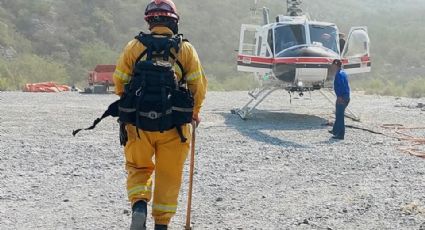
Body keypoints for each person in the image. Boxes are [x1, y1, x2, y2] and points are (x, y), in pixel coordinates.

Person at [112, 0, 207, 229]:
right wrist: (194, 113)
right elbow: (198, 87)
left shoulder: (134, 46)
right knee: (169, 174)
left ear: (150, 21)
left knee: (139, 167)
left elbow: (119, 82)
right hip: (174, 126)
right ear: (173, 21)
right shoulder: (185, 49)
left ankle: (139, 206)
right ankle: (162, 224)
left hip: (138, 124)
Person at [329, 59, 350, 140]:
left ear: (335, 65)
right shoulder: (343, 72)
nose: (332, 67)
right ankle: (335, 131)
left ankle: (341, 134)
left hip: (342, 97)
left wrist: (340, 97)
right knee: (338, 114)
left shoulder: (339, 75)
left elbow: (341, 86)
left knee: (340, 116)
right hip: (345, 96)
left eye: (333, 65)